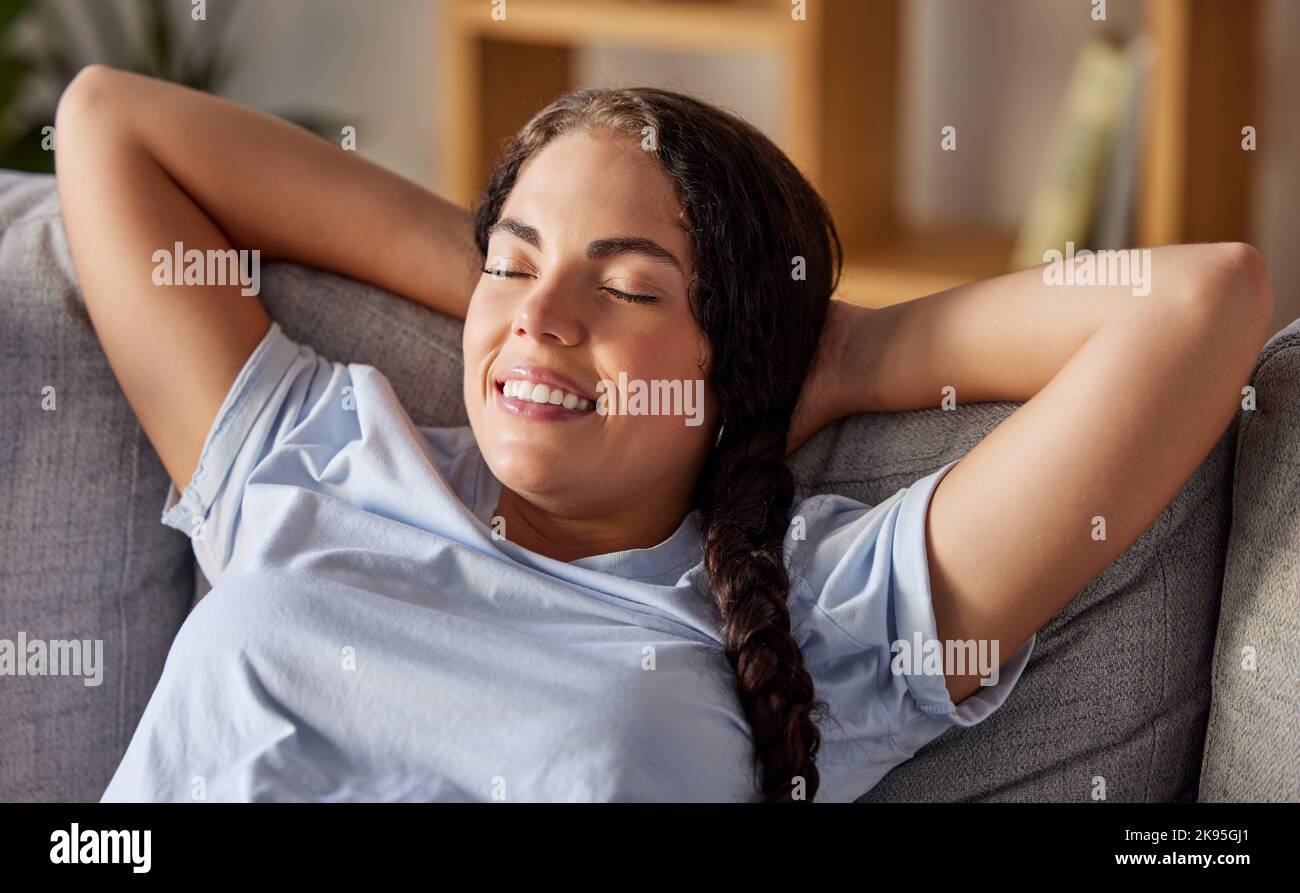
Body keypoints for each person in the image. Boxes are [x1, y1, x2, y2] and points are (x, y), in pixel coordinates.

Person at [55, 65, 1272, 803]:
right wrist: (526, 298)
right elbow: (107, 123)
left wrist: (838, 352)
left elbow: (1200, 299)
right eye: (510, 262)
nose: (543, 316)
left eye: (631, 289)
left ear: (732, 360)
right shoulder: (322, 452)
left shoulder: (819, 623)